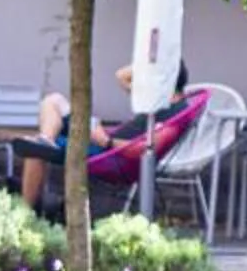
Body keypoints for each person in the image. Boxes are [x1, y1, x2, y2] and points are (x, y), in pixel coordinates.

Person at [19, 62, 190, 208]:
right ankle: (46, 140)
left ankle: (27, 212)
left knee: (39, 138)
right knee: (49, 113)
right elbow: (122, 76)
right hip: (103, 142)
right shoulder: (155, 99)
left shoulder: (177, 114)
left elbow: (145, 150)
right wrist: (148, 59)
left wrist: (106, 141)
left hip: (111, 155)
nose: (146, 78)